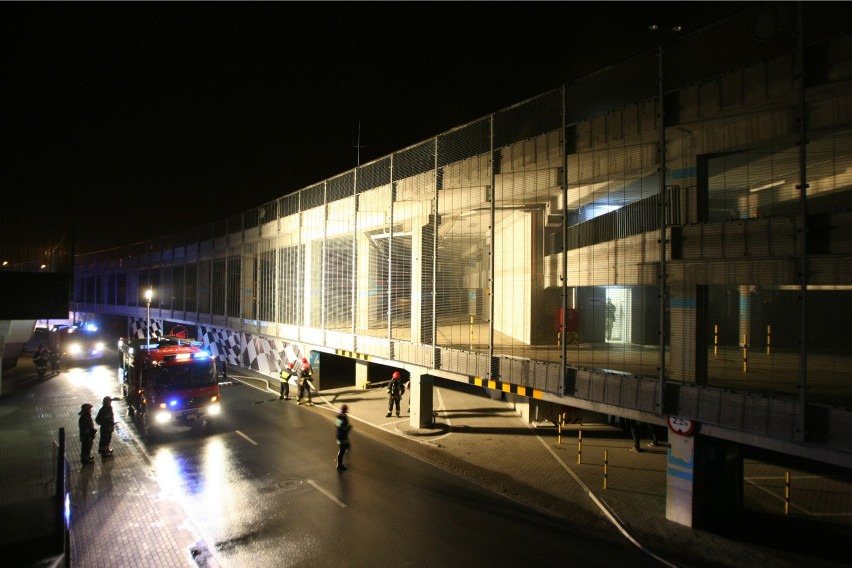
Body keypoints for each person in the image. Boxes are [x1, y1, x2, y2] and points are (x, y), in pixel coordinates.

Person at [335, 404, 352, 471]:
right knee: (341, 450)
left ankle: (346, 448)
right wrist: (347, 428)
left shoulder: (343, 416)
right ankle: (339, 465)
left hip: (343, 435)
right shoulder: (340, 417)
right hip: (341, 436)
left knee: (344, 447)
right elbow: (338, 426)